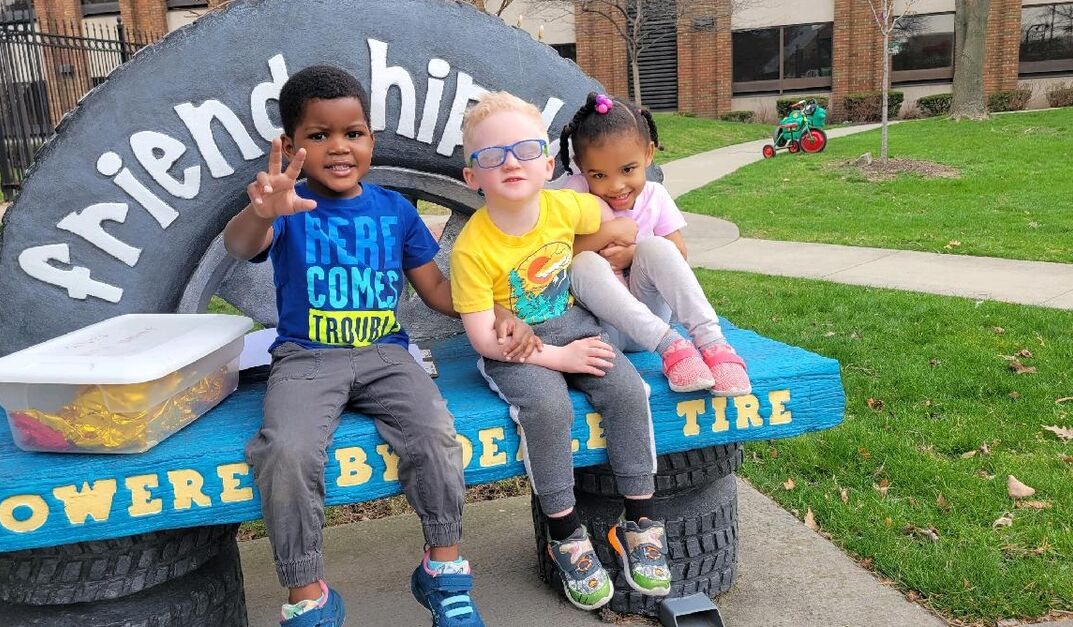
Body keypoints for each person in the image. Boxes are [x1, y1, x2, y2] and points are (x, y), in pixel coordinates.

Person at [224, 65, 536, 627]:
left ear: (371, 138)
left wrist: (496, 310)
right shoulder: (287, 207)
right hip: (306, 357)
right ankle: (307, 592)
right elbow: (243, 242)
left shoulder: (394, 210)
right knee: (286, 451)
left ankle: (443, 570)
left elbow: (439, 289)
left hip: (386, 354)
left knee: (436, 433)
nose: (339, 148)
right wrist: (262, 211)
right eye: (319, 136)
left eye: (354, 133)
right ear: (291, 145)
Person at [449, 91, 673, 611]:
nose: (510, 163)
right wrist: (559, 360)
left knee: (625, 387)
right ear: (471, 176)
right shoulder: (472, 248)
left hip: (575, 325)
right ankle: (565, 532)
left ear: (548, 164)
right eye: (491, 156)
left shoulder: (565, 204)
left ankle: (638, 521)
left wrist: (615, 234)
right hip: (516, 350)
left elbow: (613, 225)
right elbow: (485, 338)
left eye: (525, 150)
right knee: (548, 408)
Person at [556, 92, 752, 397]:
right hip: (603, 330)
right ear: (581, 167)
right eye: (599, 175)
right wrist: (612, 231)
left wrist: (632, 253)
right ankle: (672, 347)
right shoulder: (575, 195)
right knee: (582, 263)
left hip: (651, 311)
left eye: (627, 170)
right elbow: (558, 254)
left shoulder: (655, 195)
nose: (616, 185)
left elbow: (680, 254)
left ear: (648, 154)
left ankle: (712, 343)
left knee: (658, 247)